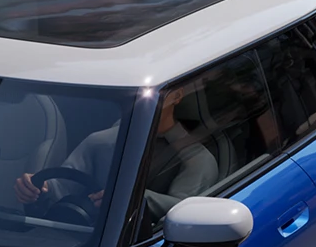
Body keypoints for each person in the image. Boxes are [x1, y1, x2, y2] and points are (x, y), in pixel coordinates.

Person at [13, 86, 216, 225]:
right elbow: (60, 186)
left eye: (155, 94)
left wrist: (130, 198)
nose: (141, 101)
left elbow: (184, 215)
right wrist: (36, 187)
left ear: (177, 95)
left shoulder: (196, 159)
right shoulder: (100, 142)